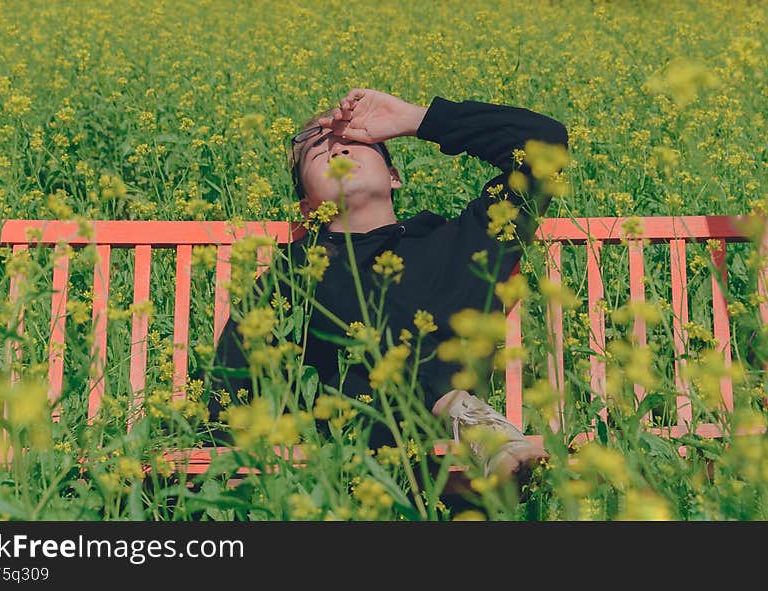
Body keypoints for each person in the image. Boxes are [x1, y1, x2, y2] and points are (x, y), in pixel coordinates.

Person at [206, 88, 568, 480]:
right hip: (342, 466)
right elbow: (229, 382)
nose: (340, 149)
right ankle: (459, 410)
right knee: (328, 272)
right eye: (320, 148)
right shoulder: (294, 273)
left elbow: (546, 144)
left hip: (437, 471)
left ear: (394, 177)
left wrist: (416, 119)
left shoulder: (462, 241)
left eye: (353, 141)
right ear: (307, 206)